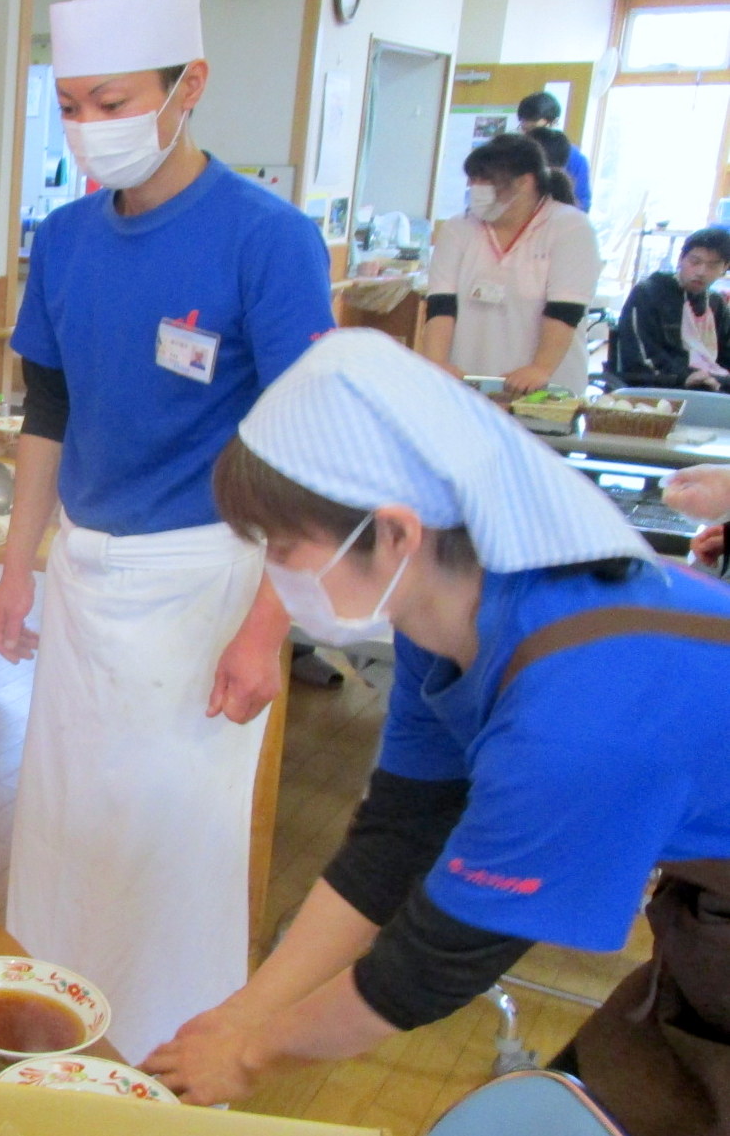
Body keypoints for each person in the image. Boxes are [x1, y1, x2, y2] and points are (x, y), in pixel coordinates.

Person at [143, 328, 730, 1136]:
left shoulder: (576, 709)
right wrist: (245, 1010)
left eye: (281, 546)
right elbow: (399, 831)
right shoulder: (440, 618)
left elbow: (432, 962)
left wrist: (249, 1053)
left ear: (393, 532)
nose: (271, 574)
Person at [0, 0, 335, 1062]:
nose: (91, 128)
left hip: (205, 583)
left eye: (112, 100)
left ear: (190, 88)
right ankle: (57, 1032)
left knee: (172, 849)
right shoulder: (67, 237)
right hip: (87, 575)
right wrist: (16, 565)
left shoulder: (267, 241)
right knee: (66, 832)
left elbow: (315, 450)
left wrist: (269, 628)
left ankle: (164, 1063)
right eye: (73, 104)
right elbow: (50, 408)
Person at [422, 133, 601, 396]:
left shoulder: (570, 227)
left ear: (525, 182)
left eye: (487, 180)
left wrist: (540, 368)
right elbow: (441, 304)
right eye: (473, 180)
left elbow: (566, 309)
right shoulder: (458, 229)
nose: (476, 188)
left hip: (546, 385)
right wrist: (436, 363)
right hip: (469, 382)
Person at [616, 226, 730, 390]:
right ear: (680, 259)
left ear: (725, 268)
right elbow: (640, 356)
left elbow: (726, 353)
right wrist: (685, 377)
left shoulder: (716, 303)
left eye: (712, 266)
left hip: (711, 385)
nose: (701, 272)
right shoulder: (649, 293)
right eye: (695, 261)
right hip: (661, 385)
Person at [519, 91, 591, 212]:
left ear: (554, 122)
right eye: (525, 130)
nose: (531, 136)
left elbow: (582, 203)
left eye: (535, 129)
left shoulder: (575, 158)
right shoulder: (515, 153)